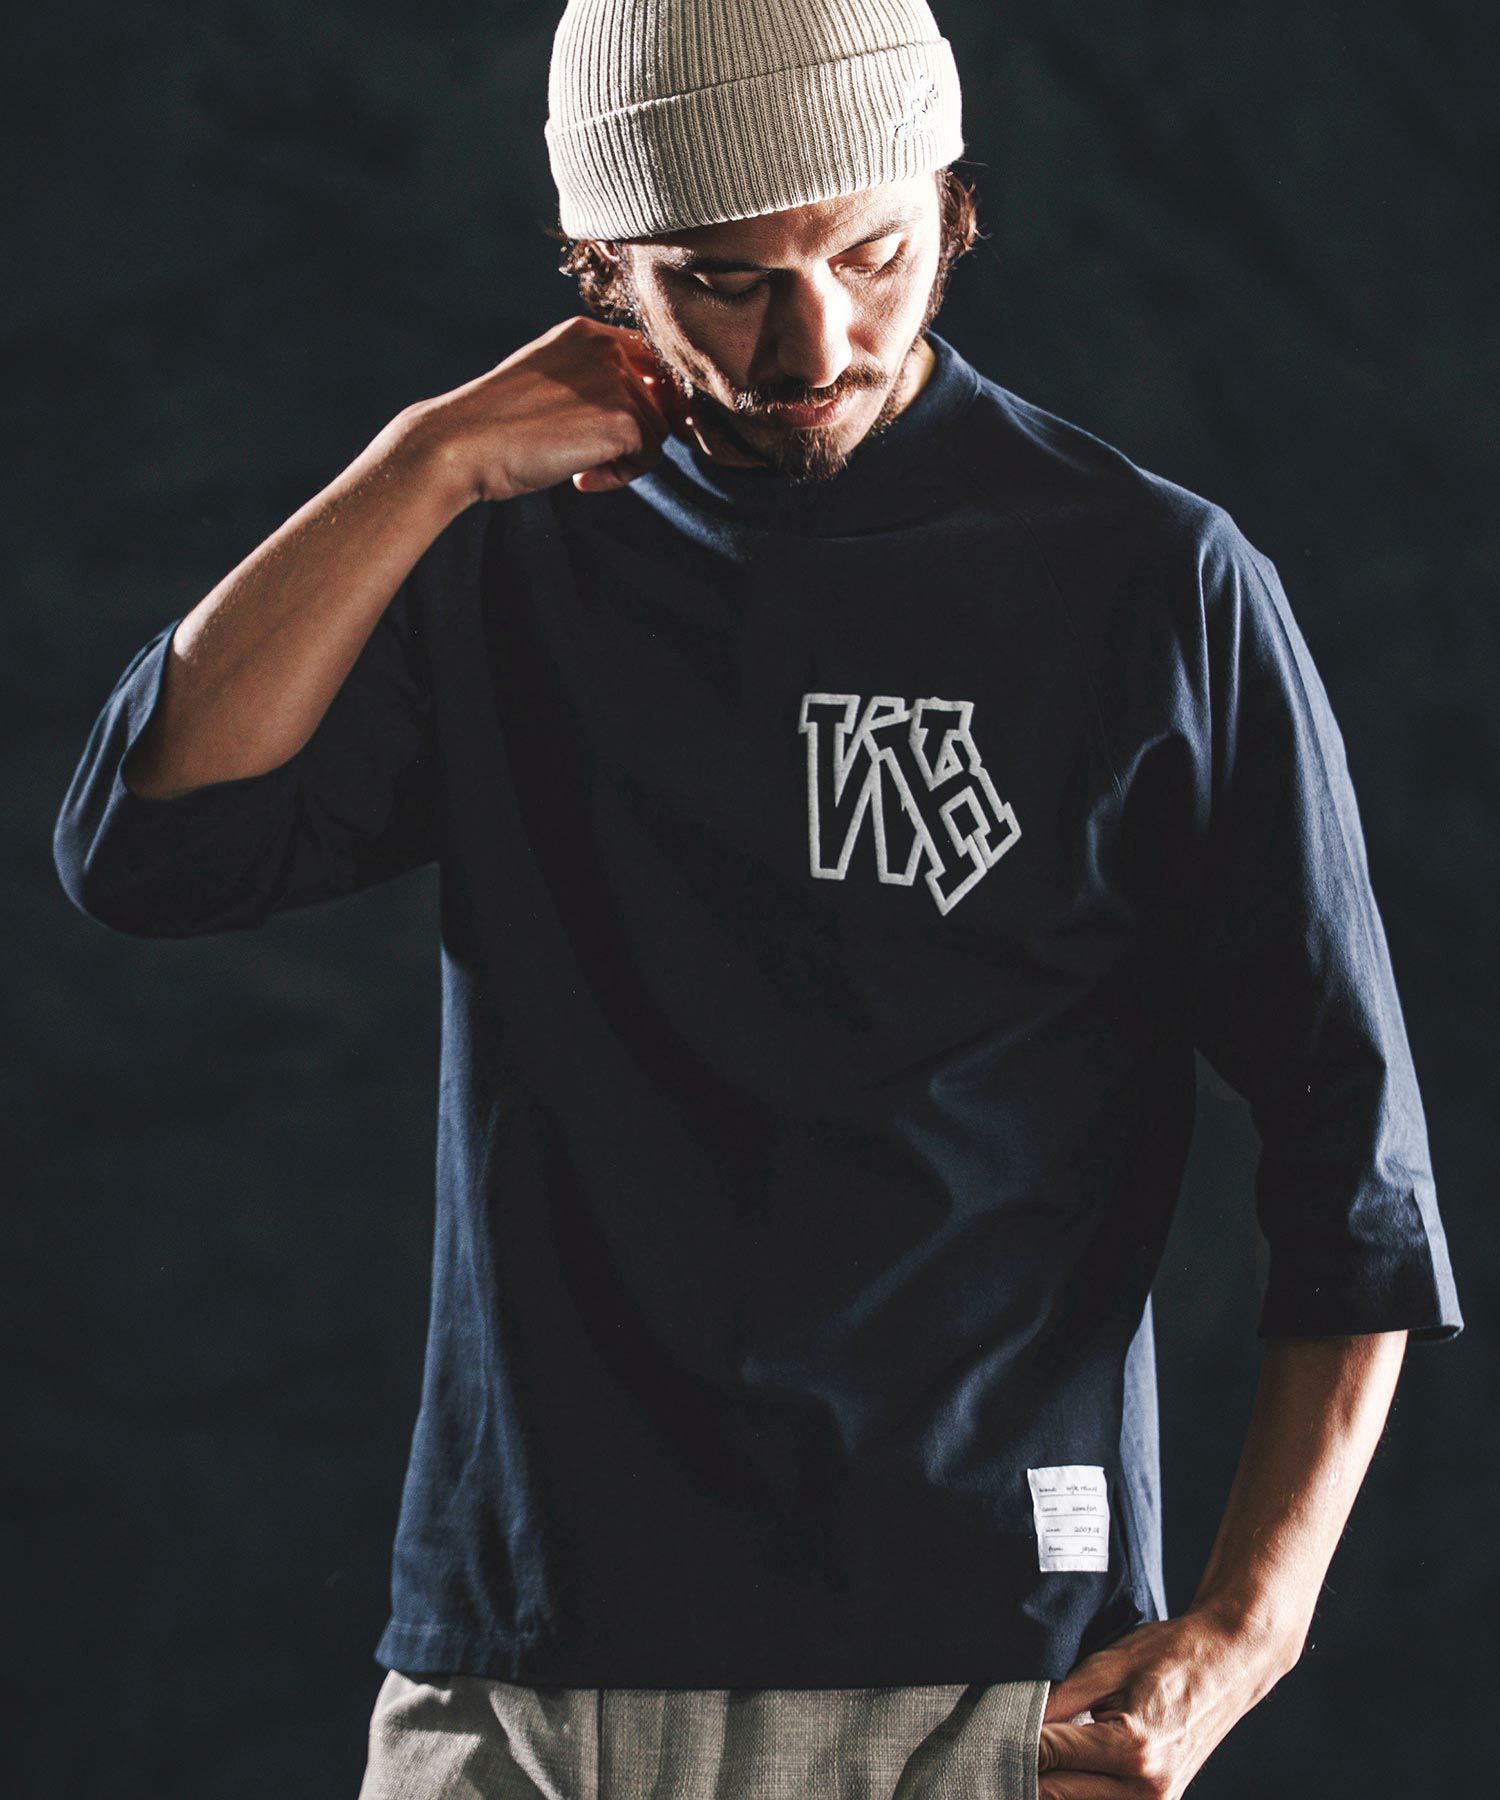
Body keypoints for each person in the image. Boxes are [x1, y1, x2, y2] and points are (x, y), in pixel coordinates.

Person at [52, 1, 1463, 1796]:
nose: (815, 344)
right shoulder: (499, 553)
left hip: (974, 1662)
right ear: (605, 274)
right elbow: (147, 850)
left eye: (869, 253)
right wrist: (420, 464)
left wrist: (1249, 1632)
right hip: (522, 1665)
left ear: (951, 208)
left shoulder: (1149, 580)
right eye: (723, 282)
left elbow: (1358, 1166)